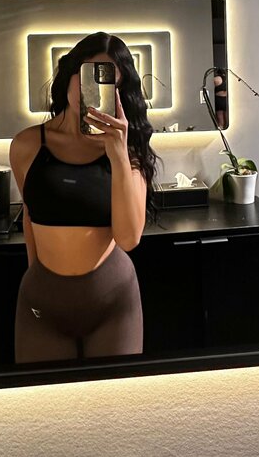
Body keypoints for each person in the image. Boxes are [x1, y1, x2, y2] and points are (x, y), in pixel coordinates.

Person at [9, 31, 158, 364]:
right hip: (41, 301)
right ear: (70, 74)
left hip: (112, 300)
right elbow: (30, 217)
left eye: (109, 83)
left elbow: (129, 238)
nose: (93, 90)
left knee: (114, 397)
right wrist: (40, 281)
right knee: (44, 396)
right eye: (89, 75)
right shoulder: (26, 145)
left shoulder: (129, 154)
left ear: (120, 94)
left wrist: (118, 154)